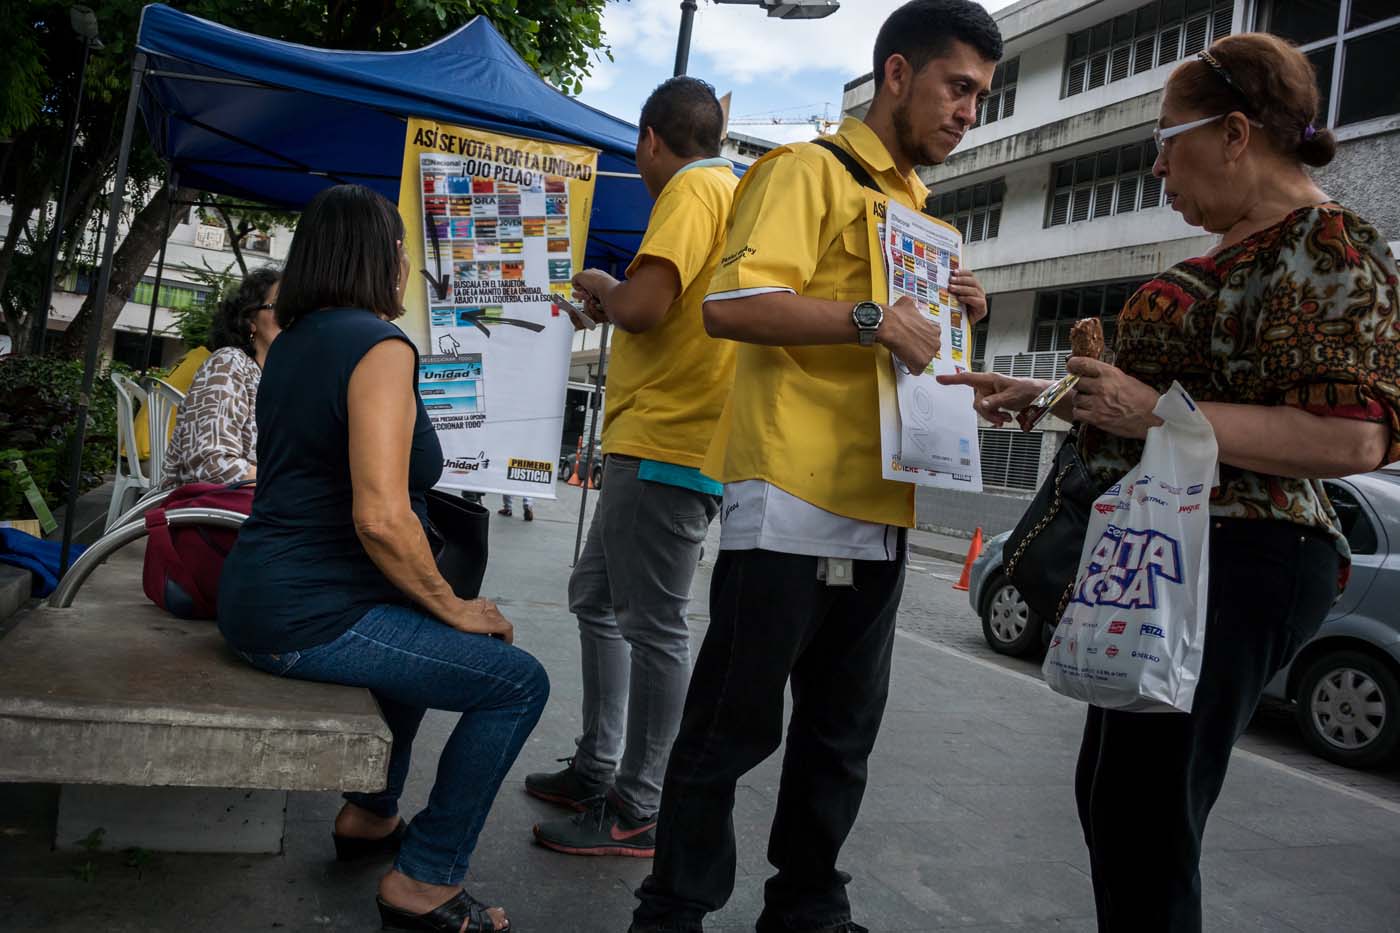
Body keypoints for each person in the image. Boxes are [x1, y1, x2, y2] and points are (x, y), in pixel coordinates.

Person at [941, 34, 1400, 933]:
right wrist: (1048, 394)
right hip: (1179, 546)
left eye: (1166, 140)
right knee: (1117, 800)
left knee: (1145, 817)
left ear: (1235, 133)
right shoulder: (1247, 243)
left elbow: (1357, 436)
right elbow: (1179, 403)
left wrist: (1149, 410)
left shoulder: (1334, 247)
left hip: (1243, 551)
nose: (1156, 167)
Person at [631, 4, 997, 931]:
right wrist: (876, 319)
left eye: (982, 98)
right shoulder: (806, 171)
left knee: (841, 735)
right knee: (731, 724)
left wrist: (957, 327)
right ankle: (672, 908)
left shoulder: (918, 213)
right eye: (959, 88)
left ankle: (807, 904)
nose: (968, 113)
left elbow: (906, 351)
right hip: (790, 492)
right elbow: (735, 306)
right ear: (898, 74)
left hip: (886, 501)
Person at [218, 184, 547, 933]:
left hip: (264, 593)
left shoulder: (298, 339)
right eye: (401, 250)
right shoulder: (377, 346)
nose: (407, 265)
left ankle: (371, 817)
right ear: (381, 258)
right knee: (517, 683)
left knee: (418, 631)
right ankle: (424, 880)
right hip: (307, 611)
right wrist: (455, 603)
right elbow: (381, 515)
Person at [525, 76, 738, 859]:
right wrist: (613, 306)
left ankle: (640, 803)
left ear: (650, 138)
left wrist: (606, 285)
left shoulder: (688, 190)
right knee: (597, 598)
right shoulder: (730, 187)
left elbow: (647, 304)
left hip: (666, 443)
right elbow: (664, 313)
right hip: (665, 439)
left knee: (652, 626)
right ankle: (598, 766)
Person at [161, 268, 280, 488]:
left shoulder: (279, 379)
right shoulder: (229, 363)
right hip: (215, 513)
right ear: (250, 319)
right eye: (279, 307)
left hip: (257, 507)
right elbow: (212, 464)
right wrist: (289, 487)